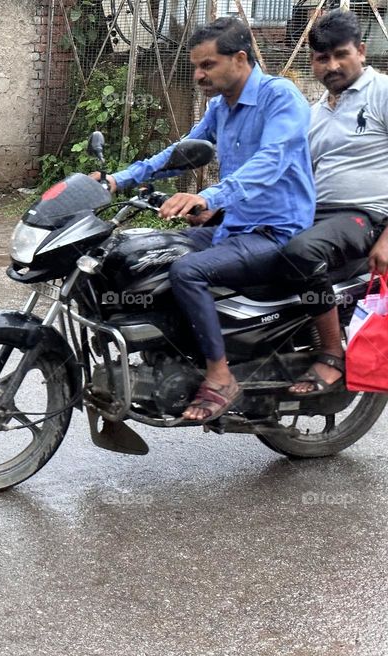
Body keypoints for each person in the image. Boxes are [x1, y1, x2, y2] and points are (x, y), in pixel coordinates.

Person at [93, 17, 315, 422]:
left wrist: (208, 195)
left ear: (241, 58)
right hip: (231, 228)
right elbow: (180, 152)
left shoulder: (281, 98)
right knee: (137, 255)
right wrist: (117, 180)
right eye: (196, 66)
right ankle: (169, 357)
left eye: (207, 65)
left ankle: (220, 374)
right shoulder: (220, 107)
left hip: (276, 232)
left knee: (188, 273)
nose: (198, 75)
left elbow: (271, 161)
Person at [281, 9, 388, 395]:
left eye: (341, 54)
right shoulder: (314, 114)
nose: (332, 65)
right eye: (322, 58)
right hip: (318, 214)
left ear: (361, 51)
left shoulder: (382, 93)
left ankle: (331, 354)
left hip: (365, 215)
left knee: (301, 251)